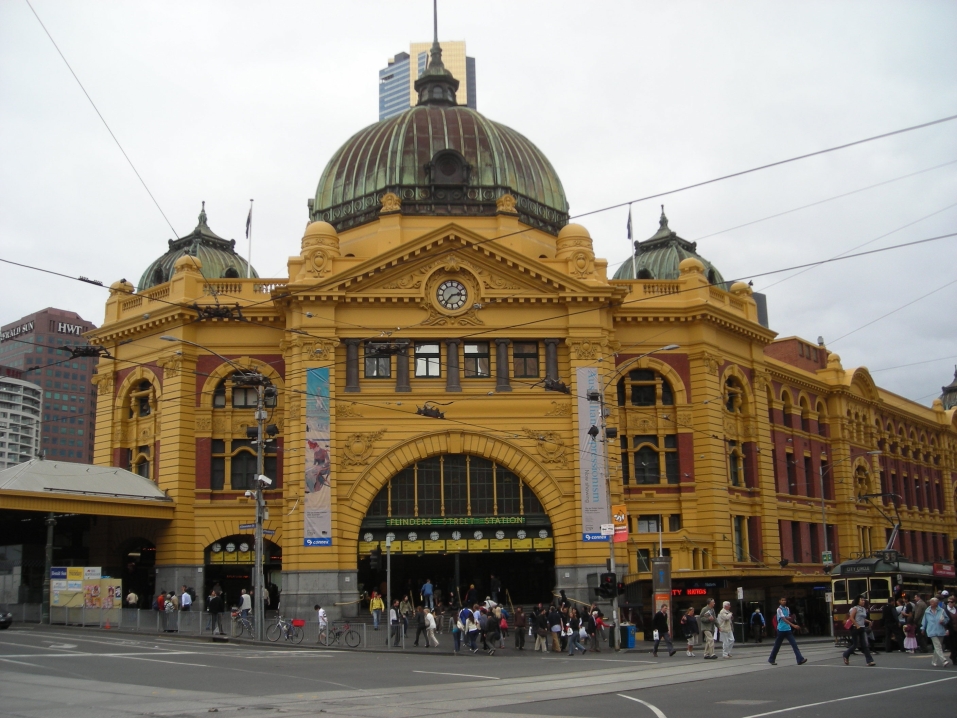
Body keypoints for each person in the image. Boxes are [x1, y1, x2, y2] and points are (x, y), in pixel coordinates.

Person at [767, 597, 808, 666]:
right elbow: (783, 619)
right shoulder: (779, 609)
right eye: (782, 600)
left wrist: (790, 618)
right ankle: (771, 659)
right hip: (781, 629)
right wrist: (793, 625)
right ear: (779, 601)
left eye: (785, 600)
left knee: (794, 644)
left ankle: (800, 659)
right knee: (777, 645)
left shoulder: (787, 609)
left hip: (788, 629)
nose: (784, 601)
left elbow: (788, 618)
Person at [842, 595, 875, 666]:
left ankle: (869, 661)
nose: (863, 601)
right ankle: (846, 654)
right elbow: (851, 617)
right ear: (858, 601)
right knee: (855, 644)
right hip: (855, 628)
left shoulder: (863, 609)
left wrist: (868, 621)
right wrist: (857, 625)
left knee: (864, 645)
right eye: (861, 600)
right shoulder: (855, 608)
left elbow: (861, 618)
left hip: (862, 628)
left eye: (864, 600)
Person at [920, 597, 950, 667]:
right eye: (930, 602)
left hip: (940, 630)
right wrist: (922, 628)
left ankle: (934, 661)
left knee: (938, 647)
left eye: (932, 602)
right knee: (938, 646)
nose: (931, 603)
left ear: (936, 603)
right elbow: (924, 621)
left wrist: (943, 621)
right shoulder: (927, 611)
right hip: (931, 630)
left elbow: (947, 619)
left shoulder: (941, 610)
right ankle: (944, 660)